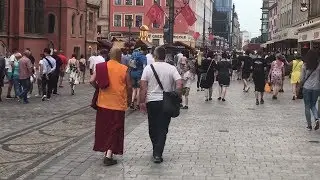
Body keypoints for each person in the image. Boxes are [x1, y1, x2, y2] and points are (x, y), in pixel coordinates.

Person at [140, 46, 182, 163]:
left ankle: (156, 150)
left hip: (152, 101)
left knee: (153, 127)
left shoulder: (148, 68)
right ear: (165, 56)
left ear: (155, 56)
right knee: (163, 128)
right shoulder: (171, 68)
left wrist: (142, 102)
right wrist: (177, 93)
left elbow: (143, 87)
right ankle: (158, 152)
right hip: (166, 101)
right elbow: (179, 82)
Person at [91, 47, 132, 166]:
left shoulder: (101, 67)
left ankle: (107, 152)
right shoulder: (124, 69)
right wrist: (129, 100)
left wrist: (99, 88)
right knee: (115, 129)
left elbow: (92, 80)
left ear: (109, 55)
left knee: (105, 129)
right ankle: (109, 155)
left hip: (103, 103)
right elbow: (129, 86)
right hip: (118, 104)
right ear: (119, 57)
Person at [300, 49, 320, 131]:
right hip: (316, 87)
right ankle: (316, 119)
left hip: (307, 88)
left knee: (307, 106)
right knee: (313, 105)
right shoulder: (319, 65)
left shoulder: (305, 65)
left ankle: (309, 125)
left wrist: (300, 85)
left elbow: (301, 78)